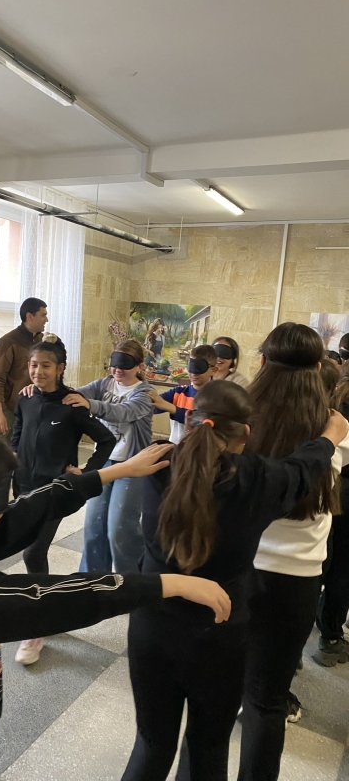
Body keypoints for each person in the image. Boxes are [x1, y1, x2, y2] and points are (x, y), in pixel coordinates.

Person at [0, 426, 232, 781]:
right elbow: (49, 598)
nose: (5, 505)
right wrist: (165, 584)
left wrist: (118, 470)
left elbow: (31, 507)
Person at [121, 381, 347, 781]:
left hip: (151, 626)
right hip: (219, 635)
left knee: (151, 744)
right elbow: (301, 470)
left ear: (191, 420)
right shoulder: (257, 480)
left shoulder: (158, 464)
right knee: (208, 747)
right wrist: (330, 437)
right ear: (246, 433)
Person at [238, 323, 349, 781]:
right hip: (296, 583)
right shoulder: (335, 429)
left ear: (263, 362)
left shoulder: (240, 420)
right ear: (319, 368)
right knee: (267, 701)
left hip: (234, 570)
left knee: (216, 690)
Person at [11, 334, 116, 664]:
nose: (37, 371)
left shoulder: (72, 405)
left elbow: (106, 440)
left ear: (60, 368)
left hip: (56, 491)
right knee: (30, 550)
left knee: (33, 551)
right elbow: (17, 434)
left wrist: (85, 472)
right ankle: (46, 605)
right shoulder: (26, 399)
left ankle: (36, 625)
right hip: (24, 487)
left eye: (45, 366)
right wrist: (12, 462)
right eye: (33, 365)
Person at [63, 340, 154, 574]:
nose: (117, 370)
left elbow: (123, 412)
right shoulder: (104, 384)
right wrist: (40, 389)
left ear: (140, 366)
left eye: (125, 365)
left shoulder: (146, 394)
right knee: (93, 526)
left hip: (133, 466)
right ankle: (91, 580)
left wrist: (90, 405)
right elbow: (73, 394)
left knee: (120, 530)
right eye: (114, 364)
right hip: (104, 462)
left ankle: (132, 582)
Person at [315, 364, 349, 666]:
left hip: (329, 490)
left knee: (323, 564)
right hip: (340, 490)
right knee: (341, 568)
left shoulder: (335, 401)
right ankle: (330, 636)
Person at [0, 297, 47, 445]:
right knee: (4, 454)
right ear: (29, 316)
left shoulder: (41, 340)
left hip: (34, 408)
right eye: (43, 315)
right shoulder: (8, 342)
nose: (46, 319)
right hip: (12, 410)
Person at [148, 344, 217, 443]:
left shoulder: (216, 397)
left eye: (200, 369)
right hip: (175, 448)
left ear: (213, 371)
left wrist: (169, 407)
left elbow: (198, 421)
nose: (194, 373)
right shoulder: (178, 392)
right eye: (191, 367)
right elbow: (153, 406)